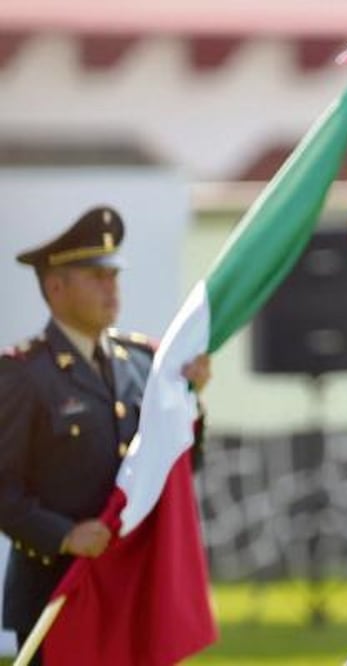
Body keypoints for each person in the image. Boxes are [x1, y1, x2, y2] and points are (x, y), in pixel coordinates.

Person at [0, 206, 210, 664]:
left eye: (113, 275)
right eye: (95, 276)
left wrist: (191, 400)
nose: (111, 287)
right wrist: (63, 535)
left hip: (131, 587)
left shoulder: (143, 363)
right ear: (56, 287)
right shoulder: (24, 374)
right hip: (57, 590)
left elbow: (178, 465)